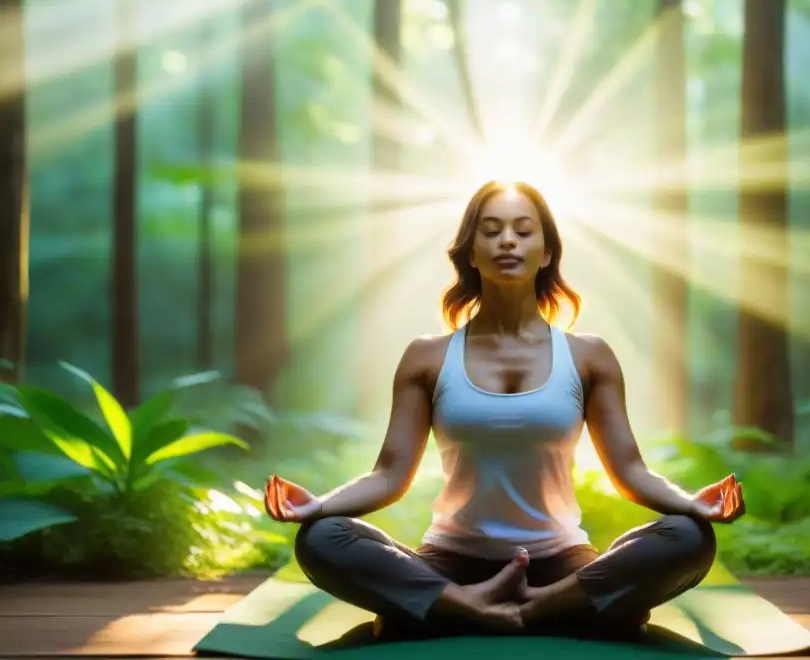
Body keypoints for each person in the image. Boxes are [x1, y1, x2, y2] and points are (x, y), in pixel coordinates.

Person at [263, 180, 745, 641]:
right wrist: (319, 506)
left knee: (689, 538)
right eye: (490, 231)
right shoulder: (427, 357)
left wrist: (692, 505)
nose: (507, 241)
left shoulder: (588, 356)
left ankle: (506, 608)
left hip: (559, 561)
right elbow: (390, 476)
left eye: (522, 229)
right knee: (321, 539)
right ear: (470, 253)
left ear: (548, 250)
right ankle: (509, 607)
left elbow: (631, 472)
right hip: (451, 560)